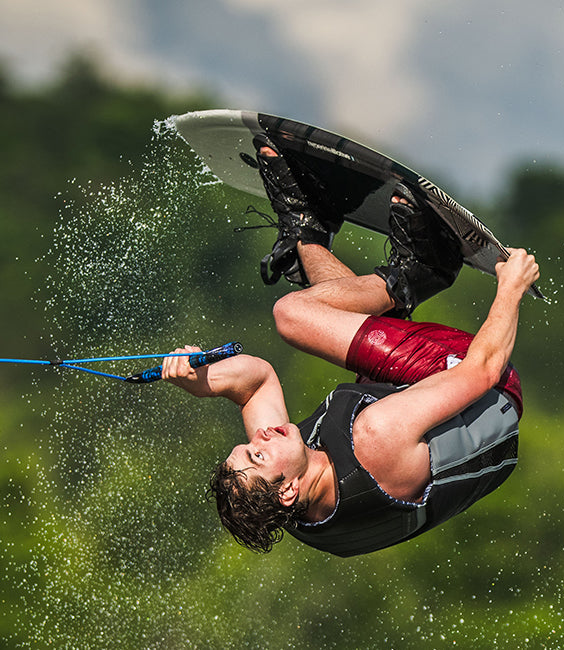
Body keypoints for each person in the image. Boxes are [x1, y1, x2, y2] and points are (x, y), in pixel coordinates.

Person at [160, 136, 538, 556]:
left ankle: (307, 231)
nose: (259, 437)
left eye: (246, 449)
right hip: (483, 386)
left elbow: (255, 385)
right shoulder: (377, 439)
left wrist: (202, 379)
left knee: (332, 321)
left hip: (410, 405)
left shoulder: (290, 495)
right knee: (294, 317)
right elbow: (482, 369)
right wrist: (511, 288)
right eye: (259, 455)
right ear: (288, 492)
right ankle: (419, 272)